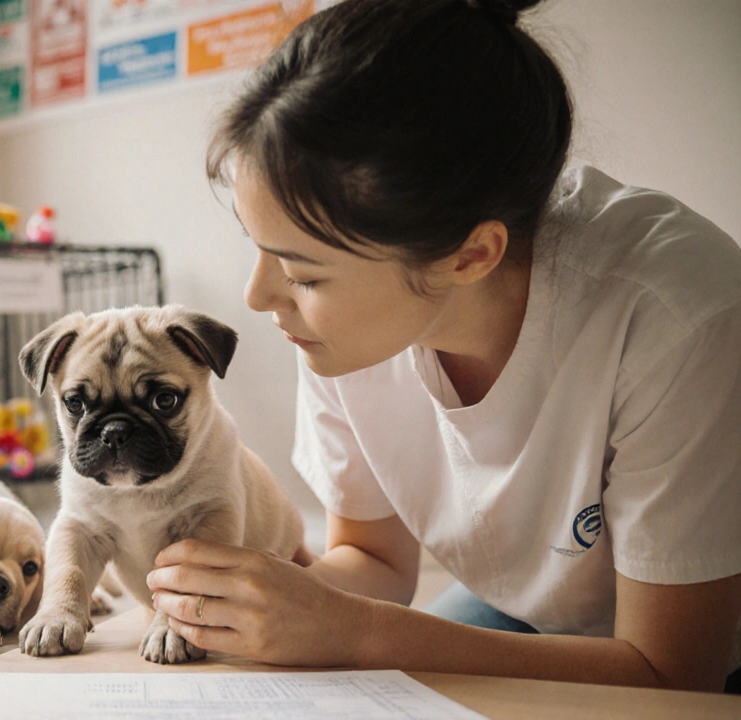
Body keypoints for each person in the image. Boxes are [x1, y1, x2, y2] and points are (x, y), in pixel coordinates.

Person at [145, 0, 741, 694]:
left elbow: (675, 673)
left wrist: (357, 631)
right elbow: (374, 559)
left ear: (470, 255)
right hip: (523, 611)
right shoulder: (341, 327)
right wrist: (271, 600)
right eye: (262, 249)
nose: (259, 296)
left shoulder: (678, 317)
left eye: (303, 273)